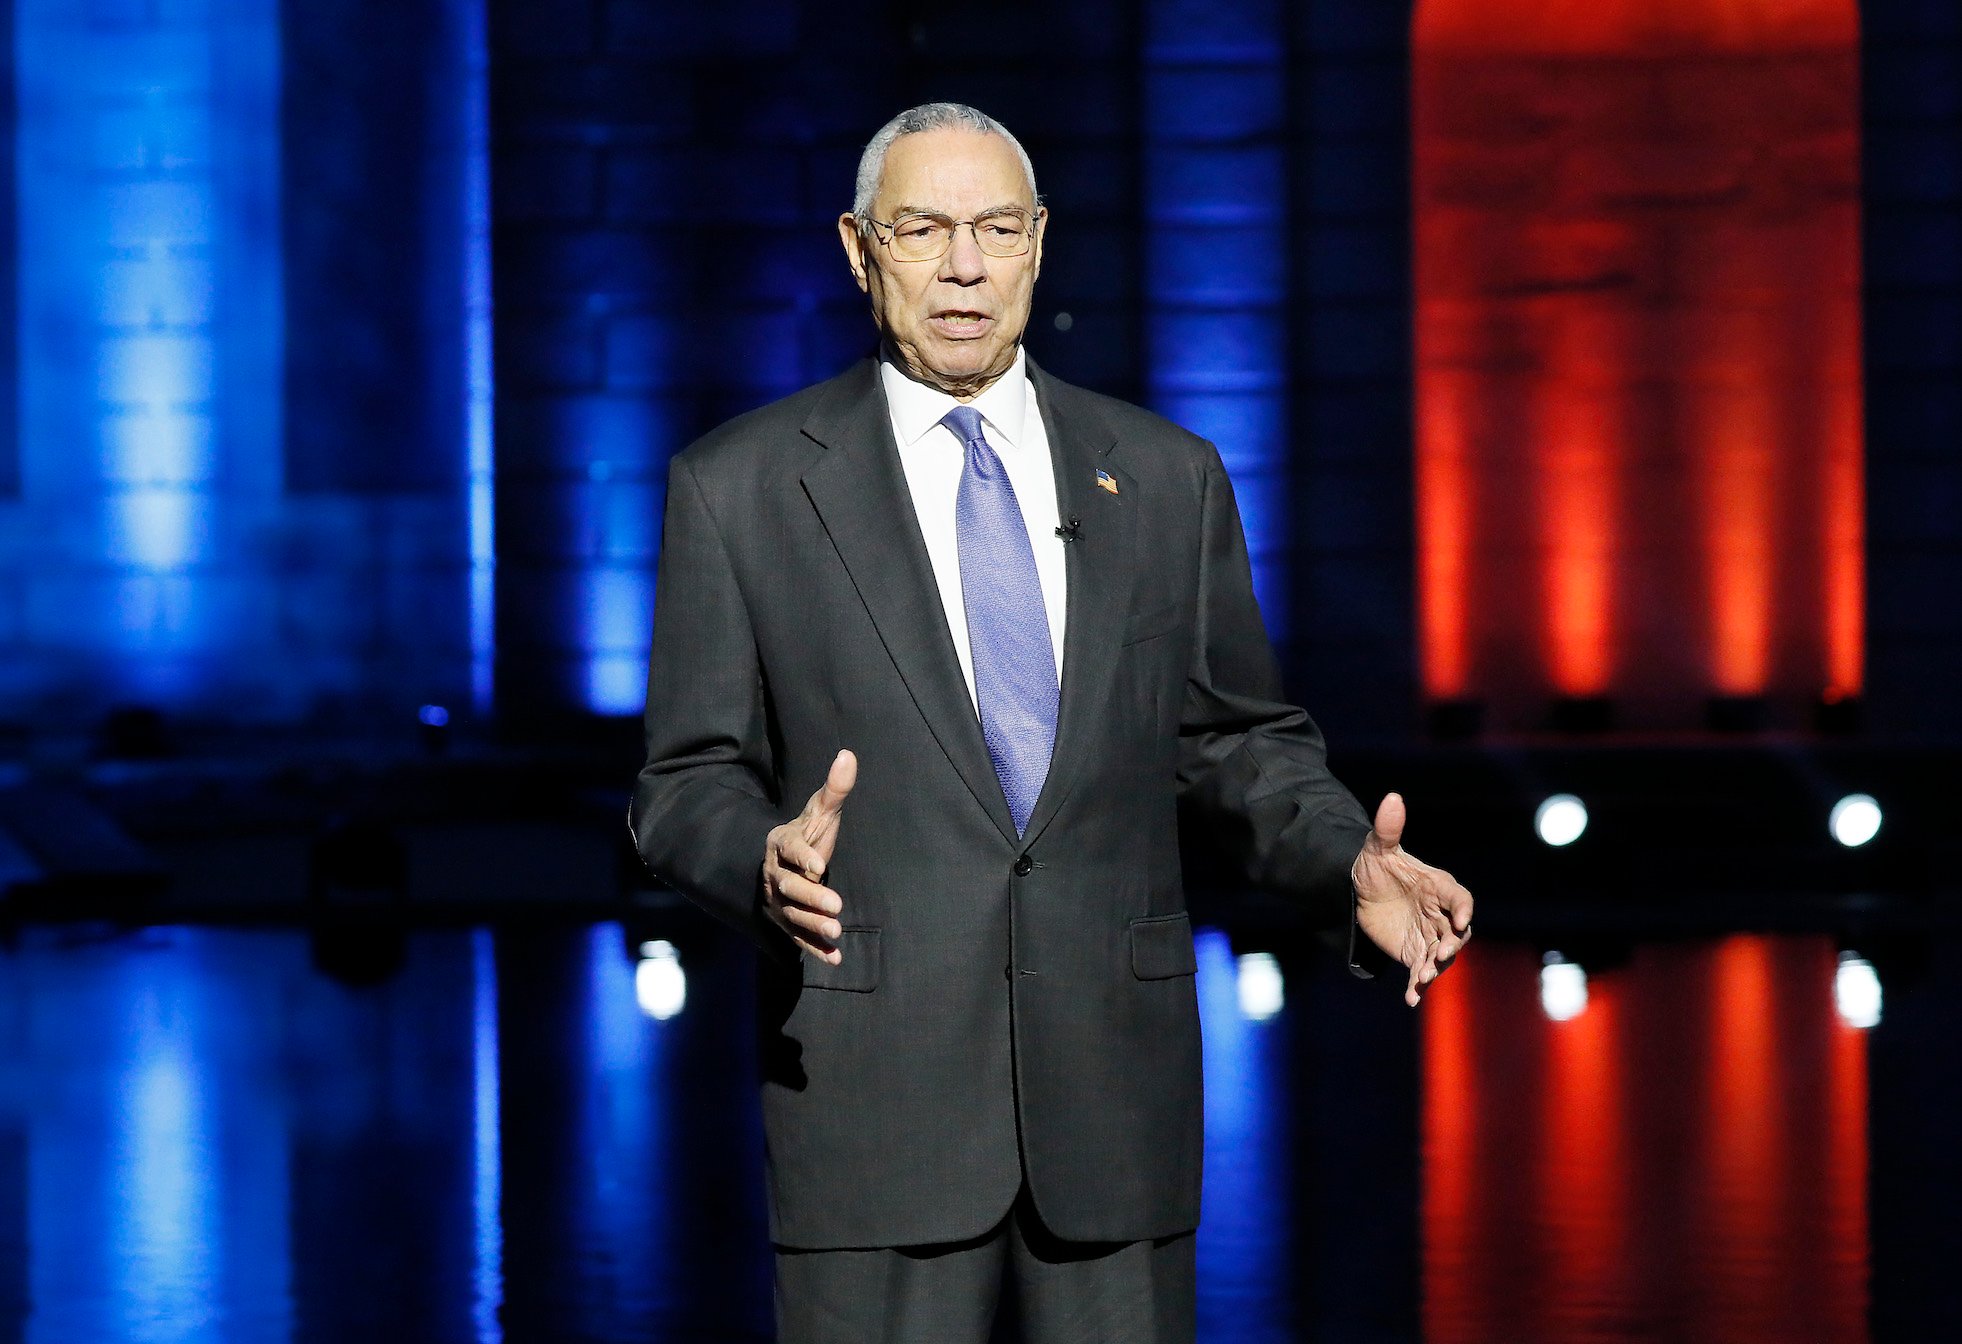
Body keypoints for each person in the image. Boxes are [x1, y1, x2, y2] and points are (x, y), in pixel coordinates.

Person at [630, 101, 1473, 1344]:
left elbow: (1239, 741)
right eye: (923, 229)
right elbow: (683, 779)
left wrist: (1345, 859)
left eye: (995, 228)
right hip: (874, 1112)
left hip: (1117, 1118)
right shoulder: (741, 487)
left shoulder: (1166, 475)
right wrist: (758, 858)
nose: (964, 265)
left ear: (1039, 244)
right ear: (860, 251)